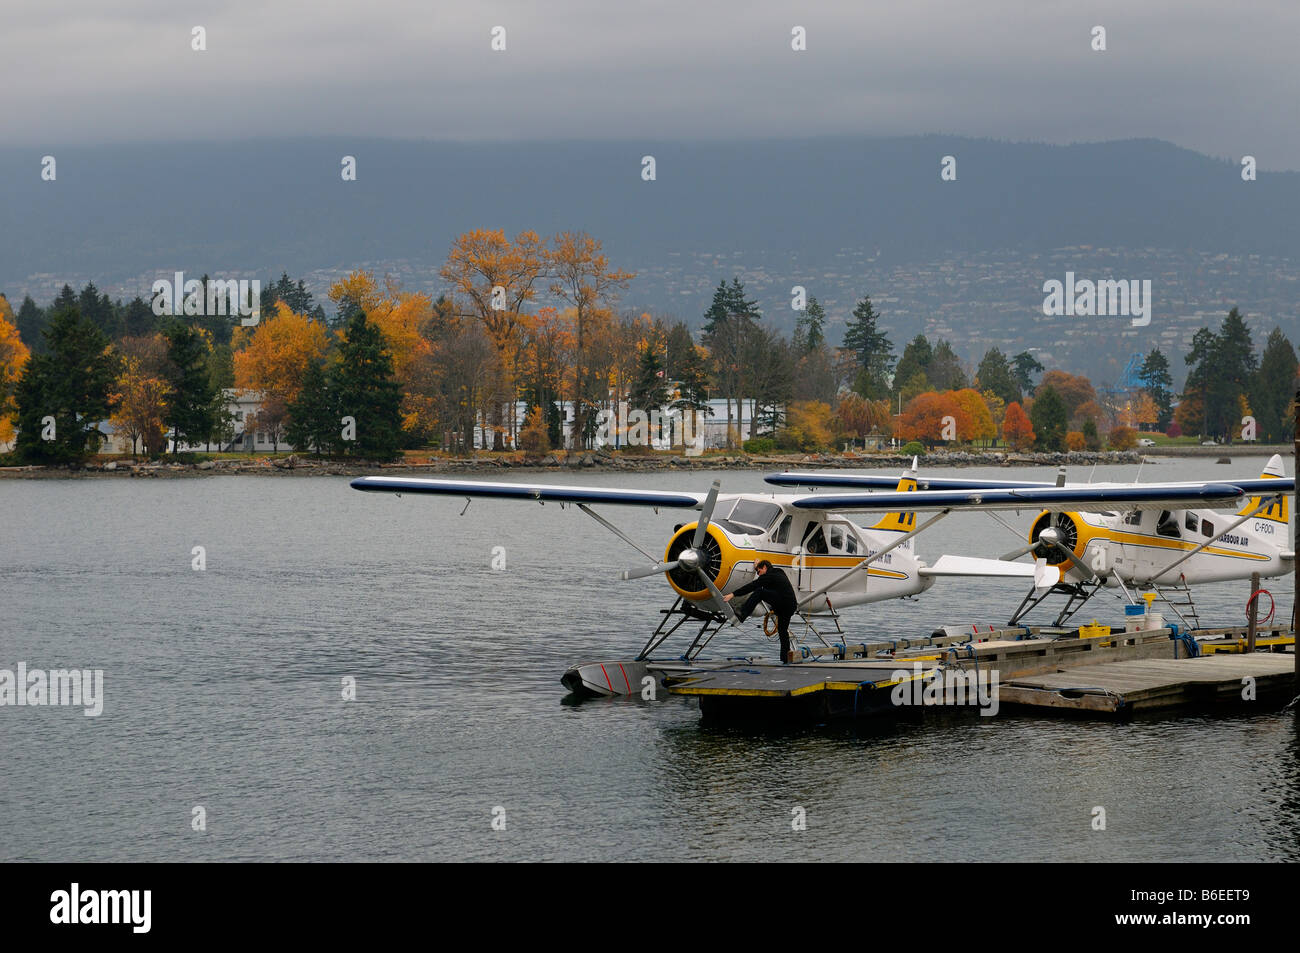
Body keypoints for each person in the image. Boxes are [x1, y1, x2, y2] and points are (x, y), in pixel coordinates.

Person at [724, 559, 798, 663]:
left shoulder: (769, 576)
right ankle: (785, 657)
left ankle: (742, 614)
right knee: (782, 631)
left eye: (759, 572)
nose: (758, 574)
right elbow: (764, 579)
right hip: (790, 605)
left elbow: (752, 586)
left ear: (765, 568)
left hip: (783, 603)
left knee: (759, 592)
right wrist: (756, 567)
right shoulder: (778, 572)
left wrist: (733, 594)